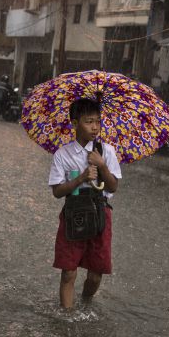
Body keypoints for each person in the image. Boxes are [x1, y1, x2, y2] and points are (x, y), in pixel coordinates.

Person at [48, 98, 122, 310]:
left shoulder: (106, 151)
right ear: (74, 123)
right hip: (74, 214)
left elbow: (113, 187)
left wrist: (102, 166)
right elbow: (57, 191)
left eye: (98, 121)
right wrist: (81, 178)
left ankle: (85, 303)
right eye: (89, 121)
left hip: (101, 213)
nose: (95, 127)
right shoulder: (62, 155)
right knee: (68, 272)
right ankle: (67, 317)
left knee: (96, 274)